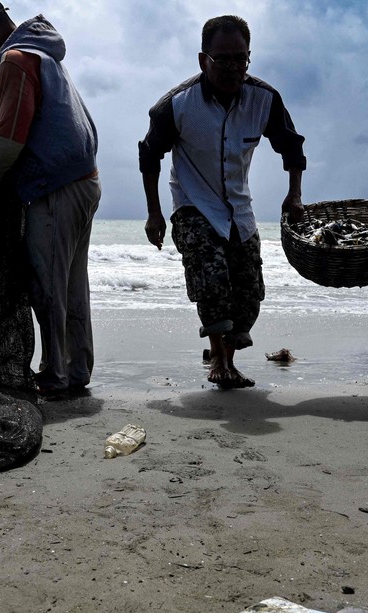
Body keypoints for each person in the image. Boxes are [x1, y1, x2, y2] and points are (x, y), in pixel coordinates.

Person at [139, 15, 306, 389]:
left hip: (239, 211)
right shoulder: (177, 105)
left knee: (248, 295)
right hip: (192, 203)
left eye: (240, 58)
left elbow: (292, 147)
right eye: (223, 59)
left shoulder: (265, 100)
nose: (232, 67)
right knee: (212, 278)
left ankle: (228, 357)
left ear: (249, 58)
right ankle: (219, 359)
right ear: (203, 60)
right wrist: (154, 213)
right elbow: (149, 155)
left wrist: (294, 194)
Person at [0, 0, 101, 398]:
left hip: (55, 189)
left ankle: (55, 374)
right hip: (84, 183)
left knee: (47, 285)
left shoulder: (14, 58)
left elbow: (11, 133)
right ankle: (77, 369)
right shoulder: (42, 52)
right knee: (71, 285)